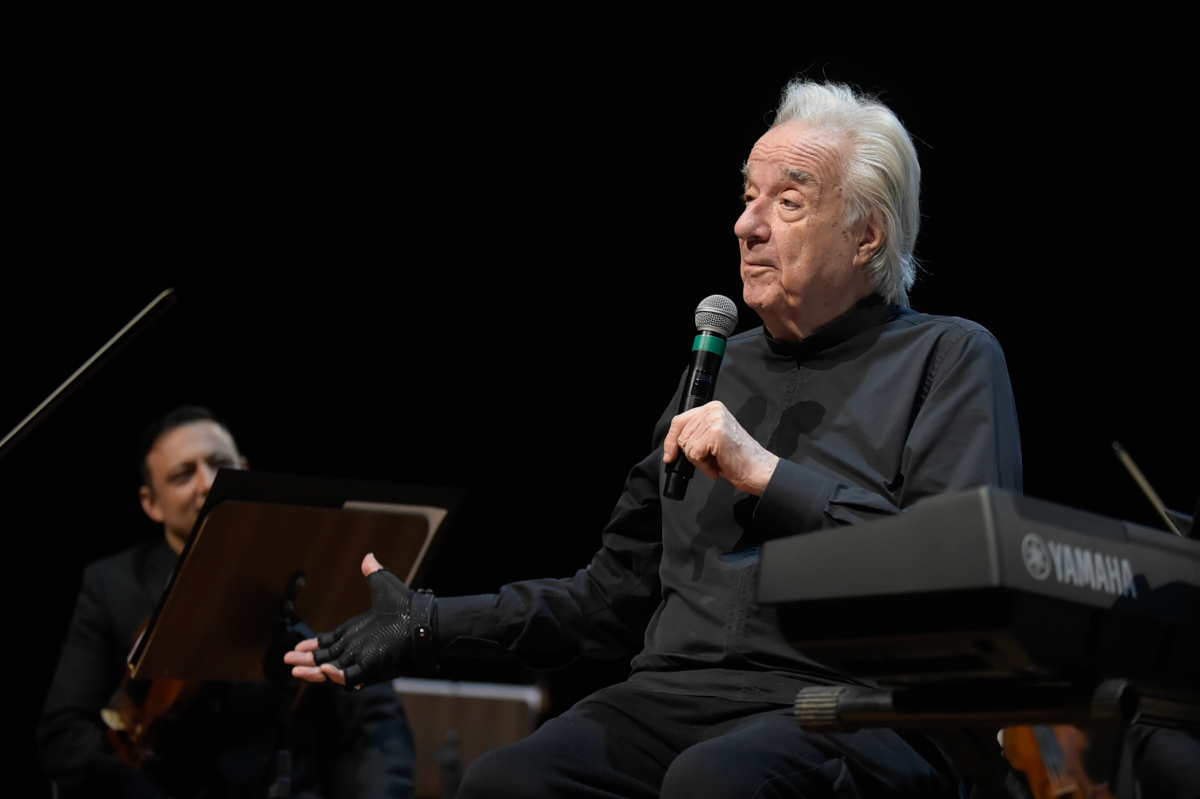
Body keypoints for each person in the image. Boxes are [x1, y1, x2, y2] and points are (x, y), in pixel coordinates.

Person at [288, 80, 1023, 797]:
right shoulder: (720, 368)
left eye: (788, 202)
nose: (747, 225)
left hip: (851, 701)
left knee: (715, 780)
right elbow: (612, 596)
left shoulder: (948, 357)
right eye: (748, 197)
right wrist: (428, 623)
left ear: (867, 234)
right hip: (675, 698)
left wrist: (767, 474)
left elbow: (953, 574)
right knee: (507, 779)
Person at [39, 406, 416, 799]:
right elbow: (65, 733)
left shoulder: (310, 577)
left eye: (220, 464)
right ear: (151, 503)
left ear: (245, 471)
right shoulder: (112, 585)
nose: (207, 483)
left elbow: (376, 720)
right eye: (183, 475)